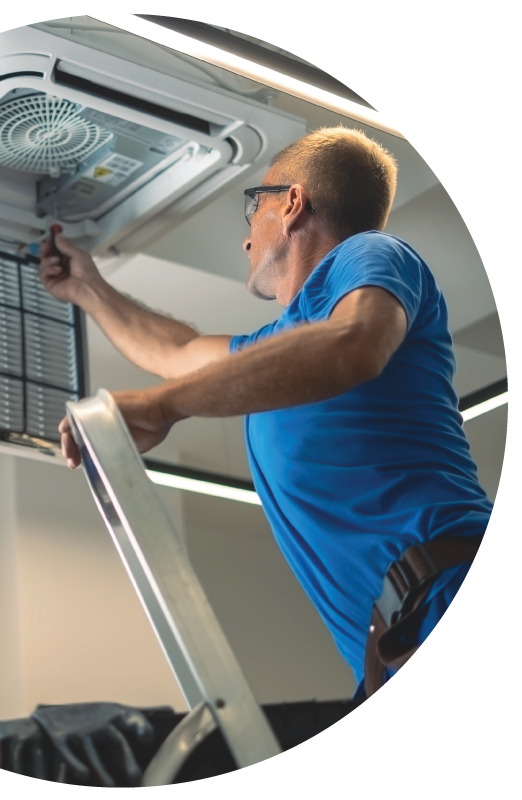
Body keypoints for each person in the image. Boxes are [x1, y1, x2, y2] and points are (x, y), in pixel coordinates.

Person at [38, 127, 491, 698]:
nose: (246, 237)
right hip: (388, 653)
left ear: (292, 203)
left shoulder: (373, 253)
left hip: (443, 587)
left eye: (254, 206)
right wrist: (88, 288)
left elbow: (356, 344)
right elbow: (177, 353)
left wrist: (164, 406)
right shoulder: (286, 345)